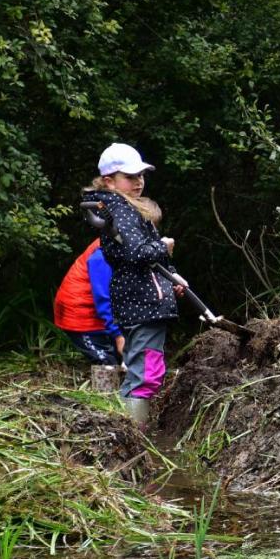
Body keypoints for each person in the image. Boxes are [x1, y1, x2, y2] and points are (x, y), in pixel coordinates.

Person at [87, 142, 180, 425]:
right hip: (144, 306)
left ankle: (129, 432)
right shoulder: (122, 211)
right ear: (109, 180)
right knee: (146, 375)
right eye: (130, 177)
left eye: (141, 175)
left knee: (141, 369)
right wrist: (164, 246)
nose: (138, 181)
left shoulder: (123, 208)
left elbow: (143, 260)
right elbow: (139, 253)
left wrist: (172, 276)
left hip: (140, 302)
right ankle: (133, 438)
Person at [53, 238, 122, 366]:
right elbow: (103, 297)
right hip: (81, 313)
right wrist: (118, 334)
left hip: (102, 312)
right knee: (107, 365)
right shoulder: (104, 252)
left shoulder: (130, 244)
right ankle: (106, 384)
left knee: (123, 358)